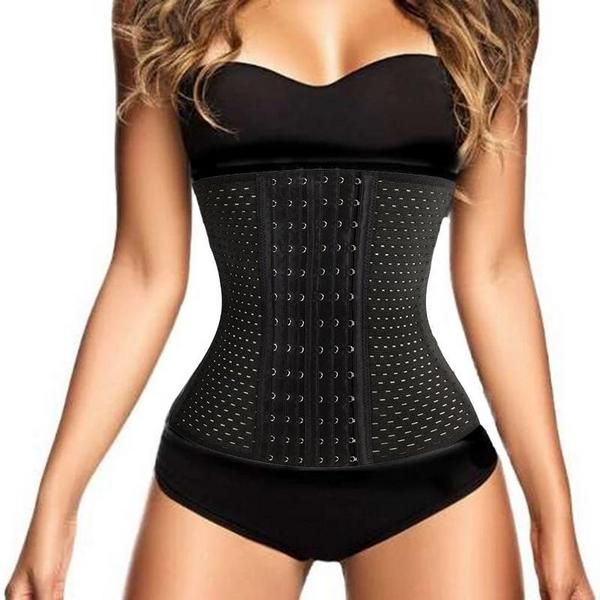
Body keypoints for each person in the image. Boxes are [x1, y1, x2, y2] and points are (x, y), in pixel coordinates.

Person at [5, 1, 594, 598]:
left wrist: (553, 516)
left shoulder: (488, 12)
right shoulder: (164, 9)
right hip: (219, 470)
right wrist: (57, 501)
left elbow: (495, 271)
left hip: (430, 471)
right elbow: (145, 271)